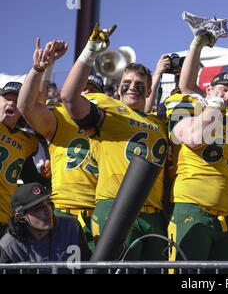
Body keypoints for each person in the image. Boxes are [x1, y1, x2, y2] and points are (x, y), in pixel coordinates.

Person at [60, 23, 169, 262]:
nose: (133, 88)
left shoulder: (159, 123)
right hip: (116, 206)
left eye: (140, 85)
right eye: (127, 84)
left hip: (153, 214)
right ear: (118, 88)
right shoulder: (109, 108)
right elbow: (68, 98)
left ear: (149, 90)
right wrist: (90, 51)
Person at [164, 29, 228, 266]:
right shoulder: (188, 108)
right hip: (192, 211)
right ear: (207, 90)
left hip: (226, 218)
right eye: (221, 88)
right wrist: (213, 105)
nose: (227, 93)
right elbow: (194, 138)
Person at [17, 38, 99, 252]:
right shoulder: (60, 116)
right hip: (64, 211)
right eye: (81, 87)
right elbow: (26, 106)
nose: (86, 93)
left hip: (102, 211)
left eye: (93, 89)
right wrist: (41, 67)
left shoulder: (108, 120)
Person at [0, 182, 91, 271]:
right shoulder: (8, 246)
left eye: (48, 204)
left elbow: (87, 268)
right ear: (20, 217)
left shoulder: (72, 227)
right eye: (38, 208)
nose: (48, 211)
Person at [0, 82, 39, 237]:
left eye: (17, 101)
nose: (11, 103)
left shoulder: (29, 141)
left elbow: (30, 178)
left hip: (5, 218)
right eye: (6, 99)